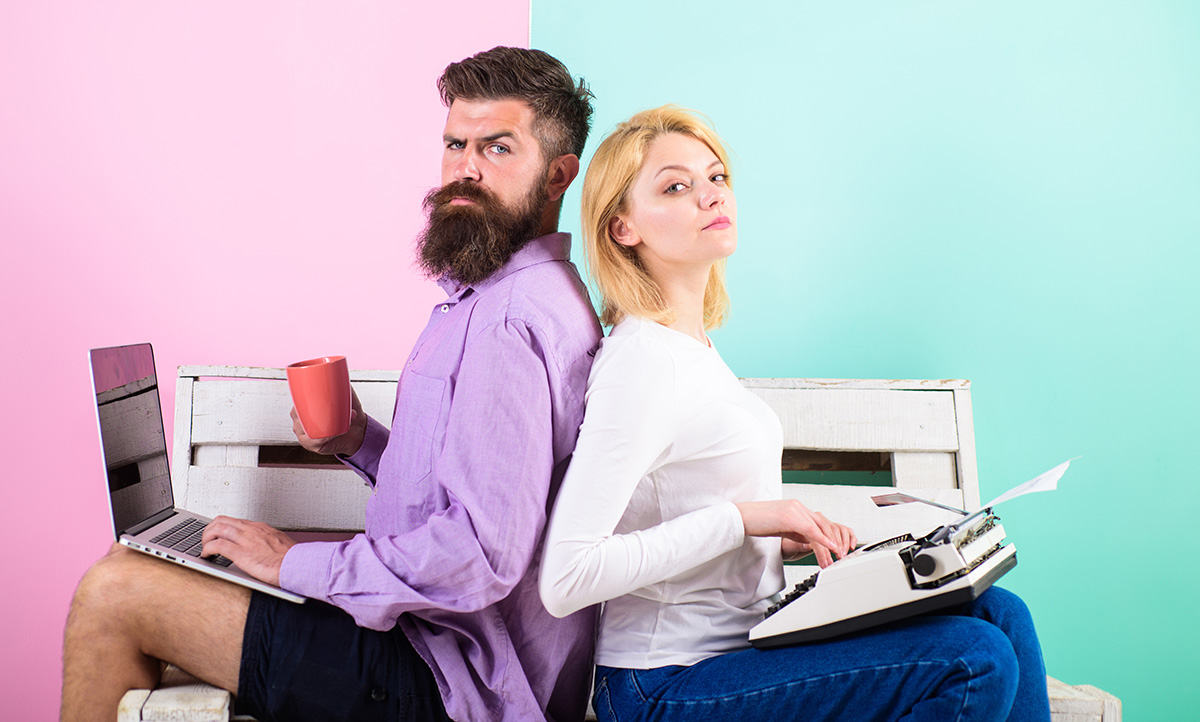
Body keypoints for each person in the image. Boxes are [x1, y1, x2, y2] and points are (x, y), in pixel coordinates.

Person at [61, 47, 603, 722]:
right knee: (139, 566)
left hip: (451, 683)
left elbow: (480, 555)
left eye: (497, 148)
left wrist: (293, 562)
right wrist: (360, 440)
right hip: (430, 649)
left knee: (117, 593)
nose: (465, 168)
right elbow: (473, 486)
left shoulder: (511, 324)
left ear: (558, 175)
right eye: (455, 143)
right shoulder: (498, 300)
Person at [538, 105, 1052, 722]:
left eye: (716, 177)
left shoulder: (692, 352)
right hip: (663, 684)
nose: (708, 195)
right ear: (622, 227)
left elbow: (681, 512)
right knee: (974, 658)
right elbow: (567, 576)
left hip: (745, 647)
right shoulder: (642, 362)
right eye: (676, 186)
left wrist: (772, 543)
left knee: (1002, 614)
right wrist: (744, 520)